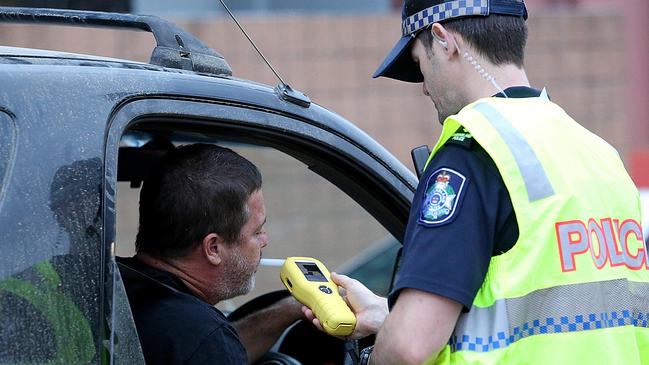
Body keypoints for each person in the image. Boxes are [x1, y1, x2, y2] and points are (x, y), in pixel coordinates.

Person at [303, 0, 649, 364]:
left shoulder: (473, 153)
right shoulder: (599, 154)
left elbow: (408, 347)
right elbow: (557, 316)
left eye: (420, 65)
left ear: (443, 40)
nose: (424, 88)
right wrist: (387, 315)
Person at [118, 143, 303, 364]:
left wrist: (291, 309)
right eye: (257, 231)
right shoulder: (203, 337)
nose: (265, 240)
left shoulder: (114, 286)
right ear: (213, 248)